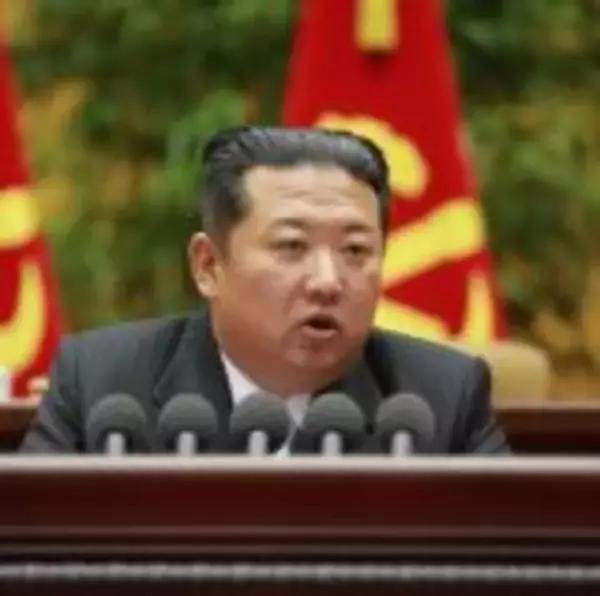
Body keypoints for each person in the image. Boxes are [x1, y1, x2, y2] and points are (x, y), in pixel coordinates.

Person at [20, 125, 509, 454]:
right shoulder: (101, 385)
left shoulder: (444, 397)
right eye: (292, 247)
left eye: (355, 251)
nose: (327, 281)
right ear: (208, 265)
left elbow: (502, 564)